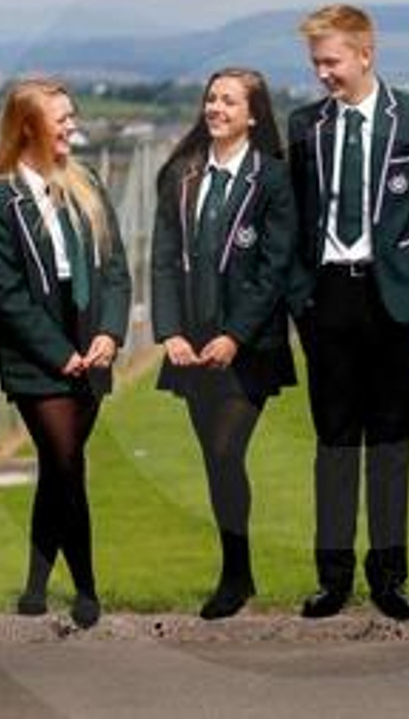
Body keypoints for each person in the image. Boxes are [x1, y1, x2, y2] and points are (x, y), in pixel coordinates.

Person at [287, 4, 409, 621]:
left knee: (389, 442)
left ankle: (389, 577)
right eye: (315, 64)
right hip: (325, 297)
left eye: (331, 61)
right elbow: (299, 218)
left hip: (394, 299)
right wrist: (299, 296)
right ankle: (331, 578)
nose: (323, 74)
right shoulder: (304, 125)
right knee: (333, 443)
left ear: (365, 53)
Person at [0, 78, 131, 629]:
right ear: (27, 127)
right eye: (59, 118)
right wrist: (60, 355)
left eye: (72, 116)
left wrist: (109, 335)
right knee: (66, 462)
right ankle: (86, 588)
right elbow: (5, 293)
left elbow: (114, 270)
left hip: (92, 345)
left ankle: (36, 587)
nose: (71, 126)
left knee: (55, 470)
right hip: (38, 353)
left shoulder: (87, 184)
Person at [151, 67, 298, 620]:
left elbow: (275, 267)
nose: (216, 108)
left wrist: (235, 335)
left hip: (249, 347)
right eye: (211, 98)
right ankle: (238, 568)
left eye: (229, 101)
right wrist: (170, 333)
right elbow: (163, 260)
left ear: (253, 115)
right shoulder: (181, 175)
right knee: (214, 464)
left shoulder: (274, 179)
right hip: (190, 346)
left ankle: (234, 576)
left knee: (225, 450)